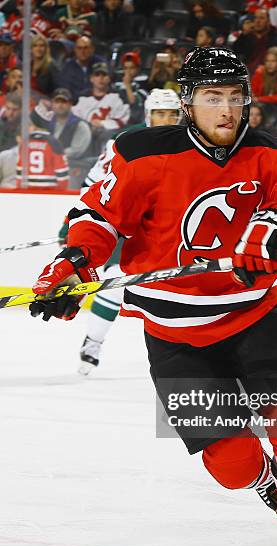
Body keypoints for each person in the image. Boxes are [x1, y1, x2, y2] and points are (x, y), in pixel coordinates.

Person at [29, 47, 277, 546]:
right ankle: (267, 485)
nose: (226, 110)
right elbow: (97, 216)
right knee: (231, 464)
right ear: (187, 102)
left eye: (234, 97)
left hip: (255, 316)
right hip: (174, 334)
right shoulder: (137, 152)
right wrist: (74, 261)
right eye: (211, 97)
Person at [76, 89, 182, 374]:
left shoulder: (192, 143)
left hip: (173, 229)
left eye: (172, 114)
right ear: (148, 116)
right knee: (114, 281)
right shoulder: (124, 143)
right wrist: (86, 223)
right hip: (131, 225)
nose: (166, 120)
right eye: (160, 113)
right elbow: (94, 184)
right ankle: (93, 341)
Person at [72, 62, 130, 152]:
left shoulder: (118, 97)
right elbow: (74, 119)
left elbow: (123, 121)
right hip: (86, 137)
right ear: (91, 78)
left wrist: (102, 124)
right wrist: (89, 125)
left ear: (109, 78)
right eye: (97, 75)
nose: (101, 78)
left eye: (104, 75)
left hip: (109, 138)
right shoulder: (81, 98)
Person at [16, 112, 69, 190]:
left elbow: (20, 171)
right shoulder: (53, 142)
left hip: (28, 190)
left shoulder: (25, 142)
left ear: (33, 124)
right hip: (49, 190)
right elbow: (61, 173)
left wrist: (20, 188)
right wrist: (62, 190)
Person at [232, 8, 277, 75]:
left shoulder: (274, 35)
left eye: (261, 18)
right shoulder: (247, 35)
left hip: (268, 73)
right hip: (247, 73)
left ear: (268, 22)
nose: (257, 21)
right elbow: (235, 52)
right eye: (255, 18)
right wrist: (243, 34)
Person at [251, 46, 277, 128]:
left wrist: (261, 99)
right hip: (262, 103)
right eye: (267, 61)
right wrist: (257, 99)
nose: (269, 64)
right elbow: (253, 93)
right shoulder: (260, 72)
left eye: (273, 61)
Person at [49, 88, 92, 162]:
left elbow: (75, 151)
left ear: (70, 104)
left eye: (64, 102)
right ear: (52, 104)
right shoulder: (47, 122)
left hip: (74, 166)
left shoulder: (80, 125)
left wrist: (50, 154)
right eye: (57, 102)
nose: (60, 105)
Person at [59, 36, 104, 102]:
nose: (82, 51)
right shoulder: (67, 66)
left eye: (86, 48)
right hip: (74, 104)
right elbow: (66, 91)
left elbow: (104, 87)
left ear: (92, 49)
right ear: (75, 50)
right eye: (79, 48)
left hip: (97, 103)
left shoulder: (100, 63)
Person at [113, 51, 148, 125]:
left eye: (132, 68)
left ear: (138, 69)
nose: (128, 71)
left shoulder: (143, 83)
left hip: (134, 122)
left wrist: (127, 84)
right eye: (125, 68)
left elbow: (134, 104)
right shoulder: (117, 85)